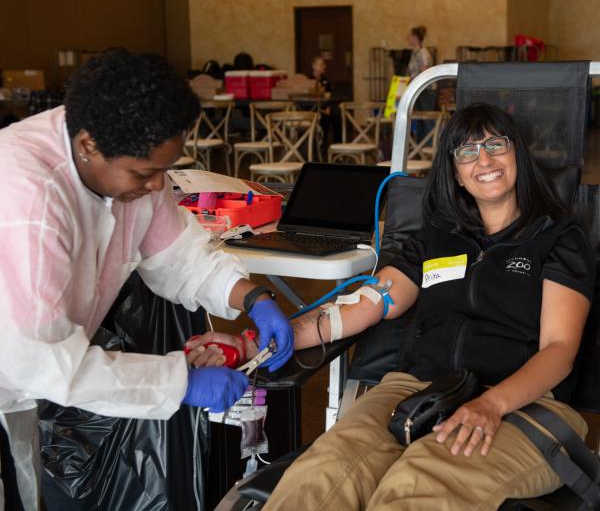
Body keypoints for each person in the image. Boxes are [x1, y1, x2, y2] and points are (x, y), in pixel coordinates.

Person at [190, 103, 596, 509]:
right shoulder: (436, 238)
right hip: (415, 389)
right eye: (467, 151)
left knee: (419, 481)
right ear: (455, 172)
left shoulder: (558, 240)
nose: (484, 159)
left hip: (523, 404)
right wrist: (255, 344)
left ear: (517, 154)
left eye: (495, 144)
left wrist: (491, 404)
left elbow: (559, 351)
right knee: (324, 470)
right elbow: (365, 305)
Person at [0, 49, 294, 511]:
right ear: (87, 145)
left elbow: (179, 255)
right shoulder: (27, 203)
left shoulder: (126, 157)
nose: (159, 186)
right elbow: (48, 363)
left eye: (165, 169)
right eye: (145, 173)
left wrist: (253, 296)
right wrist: (180, 384)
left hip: (23, 379)